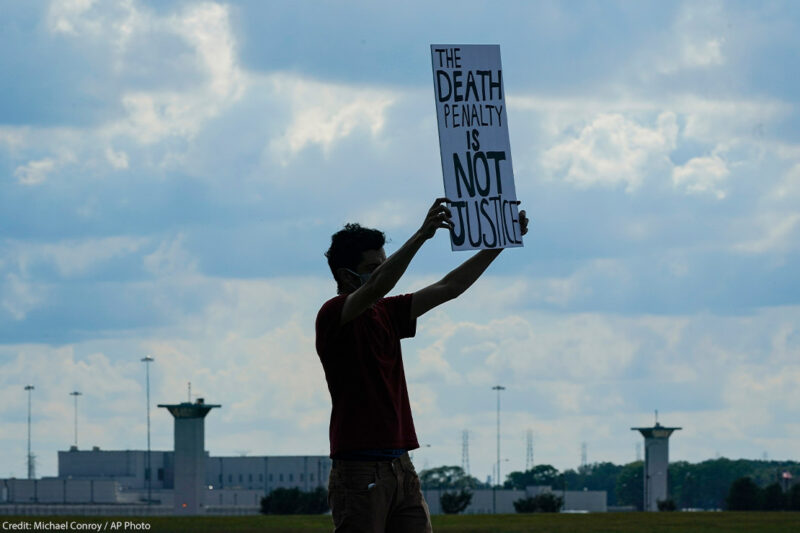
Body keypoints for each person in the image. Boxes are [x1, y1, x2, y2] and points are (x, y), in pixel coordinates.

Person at [316, 197, 528, 532]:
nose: (384, 271)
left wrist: (499, 244)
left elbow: (450, 287)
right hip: (358, 470)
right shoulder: (333, 314)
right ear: (346, 274)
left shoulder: (387, 312)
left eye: (383, 263)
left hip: (401, 465)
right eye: (374, 266)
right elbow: (379, 285)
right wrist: (421, 235)